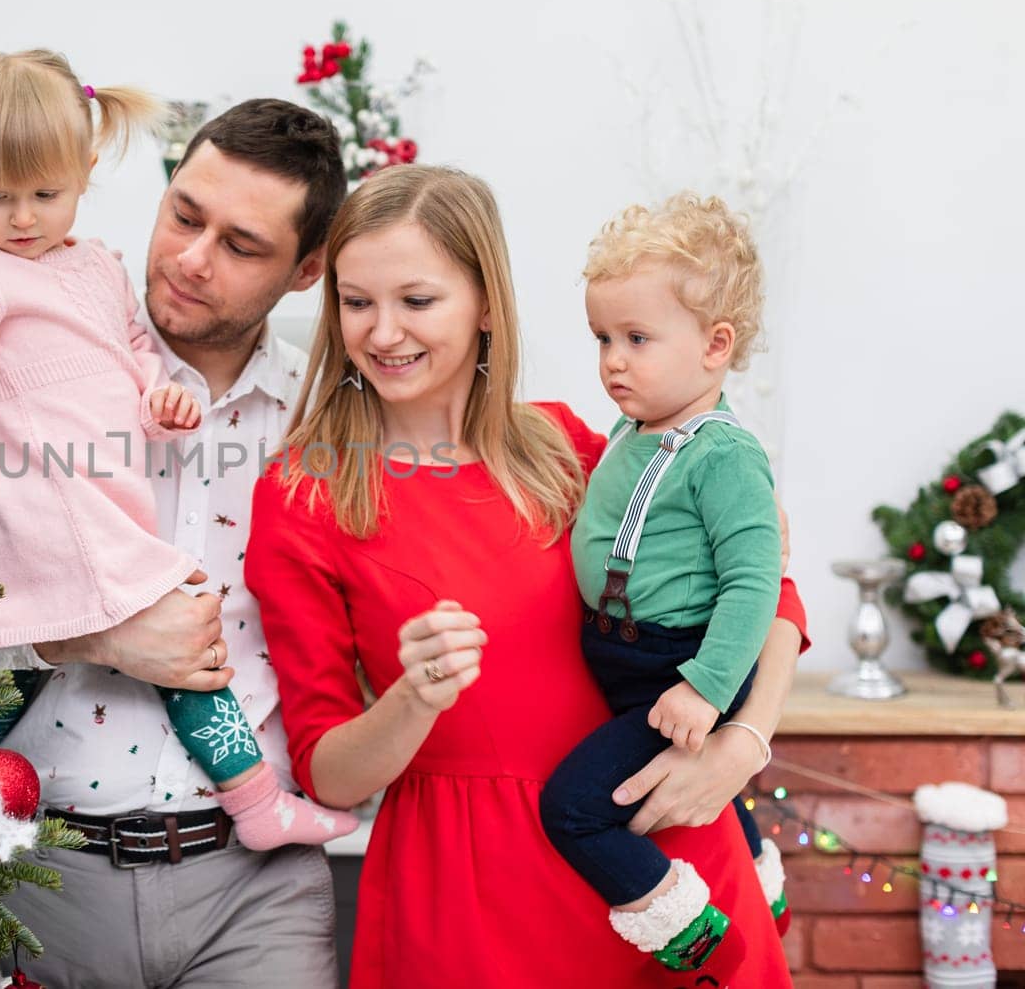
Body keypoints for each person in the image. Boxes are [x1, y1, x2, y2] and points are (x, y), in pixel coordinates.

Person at [243, 165, 808, 987]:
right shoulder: (306, 491)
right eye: (356, 300)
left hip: (655, 865)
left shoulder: (573, 447)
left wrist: (741, 746)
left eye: (417, 299)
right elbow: (328, 768)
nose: (382, 330)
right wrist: (413, 695)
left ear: (483, 303)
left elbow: (771, 594)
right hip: (470, 891)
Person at [0, 99, 353, 987]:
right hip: (34, 875)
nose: (190, 258)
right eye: (184, 214)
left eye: (242, 245)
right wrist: (77, 635)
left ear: (307, 270)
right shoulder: (7, 377)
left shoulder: (324, 423)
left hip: (255, 894)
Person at [538, 193, 787, 980]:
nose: (613, 358)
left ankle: (689, 927)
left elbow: (756, 583)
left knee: (573, 808)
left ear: (716, 345)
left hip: (677, 665)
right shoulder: (630, 432)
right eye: (603, 338)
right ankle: (759, 868)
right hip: (633, 660)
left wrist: (705, 692)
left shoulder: (724, 455)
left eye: (637, 338)